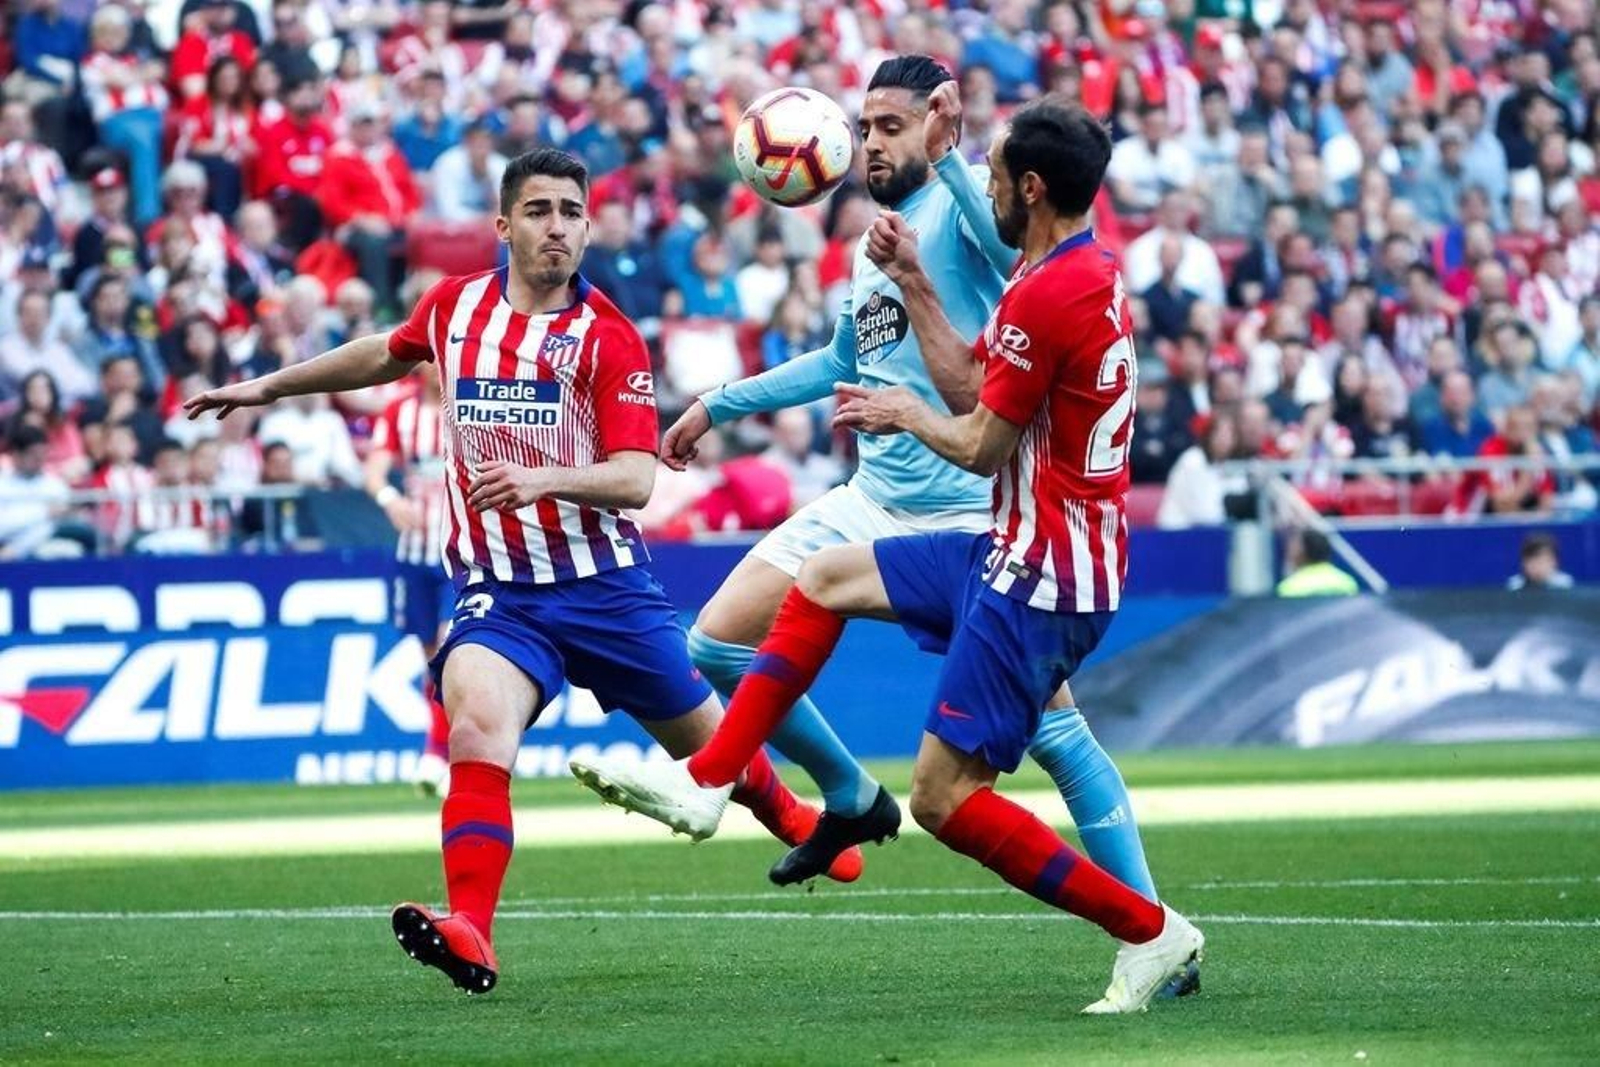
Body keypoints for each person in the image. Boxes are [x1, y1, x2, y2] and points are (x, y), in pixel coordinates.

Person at [572, 100, 1204, 1015]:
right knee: (823, 581)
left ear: (1029, 188)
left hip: (1040, 569)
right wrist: (909, 280)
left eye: (991, 172)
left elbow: (982, 438)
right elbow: (972, 377)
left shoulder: (1037, 282)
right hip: (1018, 544)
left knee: (946, 799)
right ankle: (709, 782)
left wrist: (903, 410)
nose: (981, 183)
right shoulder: (1076, 267)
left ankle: (1153, 931)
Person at [183, 148, 860, 996]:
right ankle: (472, 928)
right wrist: (269, 388)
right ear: (504, 224)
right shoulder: (454, 306)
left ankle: (794, 815)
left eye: (572, 212)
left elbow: (636, 476)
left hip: (606, 590)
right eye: (539, 210)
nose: (558, 227)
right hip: (499, 594)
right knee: (476, 730)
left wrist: (543, 478)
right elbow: (384, 354)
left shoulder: (606, 336)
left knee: (709, 744)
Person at [365, 363, 455, 795]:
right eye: (430, 356)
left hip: (460, 553)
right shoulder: (400, 411)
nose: (438, 366)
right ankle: (447, 749)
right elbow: (375, 473)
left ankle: (436, 752)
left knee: (449, 646)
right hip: (415, 552)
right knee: (432, 655)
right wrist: (389, 499)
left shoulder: (468, 404)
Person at [1276, 529, 1360, 597]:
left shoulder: (1288, 589)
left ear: (1302, 552)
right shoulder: (1347, 583)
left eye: (1293, 548)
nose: (1290, 553)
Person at [1507, 532, 1574, 591]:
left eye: (1543, 561)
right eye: (1533, 561)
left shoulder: (1565, 585)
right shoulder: (1515, 586)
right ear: (1523, 563)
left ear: (1555, 562)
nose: (1538, 566)